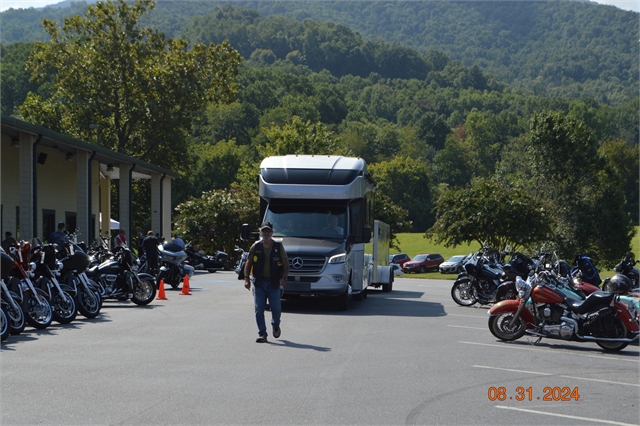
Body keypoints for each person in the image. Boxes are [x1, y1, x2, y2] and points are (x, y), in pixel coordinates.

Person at [244, 221, 289, 343]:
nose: (266, 233)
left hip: (273, 283)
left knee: (276, 308)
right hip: (259, 283)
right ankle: (262, 333)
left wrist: (284, 278)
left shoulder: (278, 247)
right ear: (260, 232)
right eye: (264, 231)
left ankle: (275, 324)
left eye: (268, 231)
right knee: (259, 309)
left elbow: (285, 263)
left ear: (272, 232)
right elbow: (248, 263)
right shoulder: (256, 246)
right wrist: (246, 279)